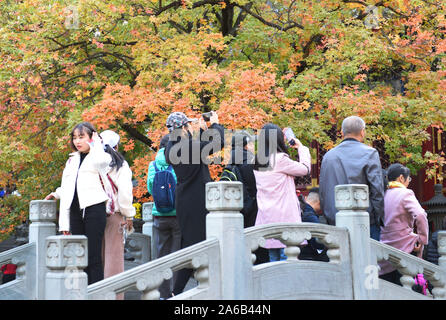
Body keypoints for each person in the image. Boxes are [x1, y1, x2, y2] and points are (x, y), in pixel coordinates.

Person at [164, 111, 225, 295]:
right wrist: (215, 125)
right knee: (196, 247)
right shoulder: (186, 147)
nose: (190, 127)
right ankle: (177, 292)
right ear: (183, 128)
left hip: (185, 202)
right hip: (196, 202)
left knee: (191, 245)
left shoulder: (171, 147)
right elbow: (216, 143)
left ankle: (180, 291)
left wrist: (204, 131)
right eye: (188, 125)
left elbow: (199, 147)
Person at [45, 122, 112, 284]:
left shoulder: (100, 155)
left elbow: (102, 163)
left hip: (94, 209)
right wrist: (56, 194)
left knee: (94, 256)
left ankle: (96, 293)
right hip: (74, 211)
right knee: (78, 256)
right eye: (75, 138)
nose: (77, 141)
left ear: (92, 137)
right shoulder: (72, 160)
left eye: (81, 137)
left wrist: (96, 144)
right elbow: (68, 184)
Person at [319, 115, 385, 241]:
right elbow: (377, 189)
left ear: (342, 133)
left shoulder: (328, 156)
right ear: (362, 132)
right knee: (366, 258)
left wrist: (329, 218)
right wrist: (378, 218)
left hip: (336, 219)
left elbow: (323, 192)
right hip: (364, 220)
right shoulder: (370, 153)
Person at [253, 123, 311, 262]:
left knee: (273, 258)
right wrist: (301, 148)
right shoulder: (280, 159)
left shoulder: (258, 160)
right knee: (288, 258)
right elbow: (305, 169)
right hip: (284, 216)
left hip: (267, 215)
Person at [378, 163, 429, 285]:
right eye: (409, 179)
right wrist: (422, 239)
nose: (409, 182)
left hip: (383, 246)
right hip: (403, 245)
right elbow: (421, 215)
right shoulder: (405, 193)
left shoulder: (381, 194)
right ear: (401, 178)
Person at [99, 130, 136, 299]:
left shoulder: (95, 164)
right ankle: (114, 296)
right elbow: (125, 194)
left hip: (95, 214)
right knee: (114, 258)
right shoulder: (121, 165)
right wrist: (129, 215)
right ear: (117, 146)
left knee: (98, 258)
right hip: (114, 215)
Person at [147, 134, 181, 300]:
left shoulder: (153, 164)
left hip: (159, 215)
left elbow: (150, 187)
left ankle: (162, 294)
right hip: (176, 215)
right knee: (177, 254)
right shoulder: (177, 162)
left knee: (161, 254)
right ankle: (176, 291)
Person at [225, 131, 258, 228]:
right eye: (251, 143)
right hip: (251, 213)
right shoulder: (249, 162)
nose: (253, 146)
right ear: (246, 146)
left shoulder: (232, 161)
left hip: (237, 209)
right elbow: (254, 189)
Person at [298, 187, 329, 262]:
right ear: (319, 202)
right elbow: (317, 242)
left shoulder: (299, 209)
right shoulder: (310, 216)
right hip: (306, 257)